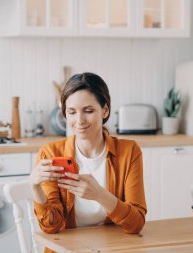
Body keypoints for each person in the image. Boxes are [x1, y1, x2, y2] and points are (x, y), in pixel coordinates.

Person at [29, 72, 147, 253]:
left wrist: (100, 195)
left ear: (105, 110)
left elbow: (136, 224)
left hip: (112, 249)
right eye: (72, 112)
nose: (80, 120)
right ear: (64, 114)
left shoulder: (129, 151)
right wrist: (35, 187)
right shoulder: (50, 153)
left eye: (89, 111)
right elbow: (51, 227)